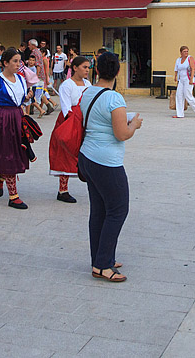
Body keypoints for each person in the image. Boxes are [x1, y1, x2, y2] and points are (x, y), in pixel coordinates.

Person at [79, 51, 142, 282]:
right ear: (117, 72)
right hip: (107, 161)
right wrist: (134, 124)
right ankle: (104, 264)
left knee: (99, 210)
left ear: (96, 70)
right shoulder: (114, 98)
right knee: (117, 210)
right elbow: (122, 133)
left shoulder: (88, 92)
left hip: (87, 156)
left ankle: (100, 259)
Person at [0, 47, 31, 209]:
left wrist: (26, 99)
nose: (18, 64)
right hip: (3, 120)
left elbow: (21, 100)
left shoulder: (21, 79)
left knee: (15, 153)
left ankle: (0, 177)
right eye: (15, 61)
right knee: (8, 155)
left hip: (17, 118)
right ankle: (13, 195)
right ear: (5, 63)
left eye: (19, 61)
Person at [50, 56, 92, 203]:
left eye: (88, 67)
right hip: (70, 121)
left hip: (85, 121)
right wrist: (73, 123)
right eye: (84, 67)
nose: (87, 70)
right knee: (65, 153)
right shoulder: (67, 85)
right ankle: (63, 190)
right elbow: (66, 106)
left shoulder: (88, 84)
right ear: (75, 68)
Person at [173, 46, 195, 119]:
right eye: (184, 51)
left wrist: (191, 79)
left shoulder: (190, 58)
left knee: (187, 95)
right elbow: (176, 69)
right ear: (181, 52)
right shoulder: (178, 60)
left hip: (188, 78)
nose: (186, 53)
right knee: (179, 95)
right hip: (181, 79)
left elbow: (193, 68)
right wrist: (176, 77)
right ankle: (179, 114)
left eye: (187, 51)